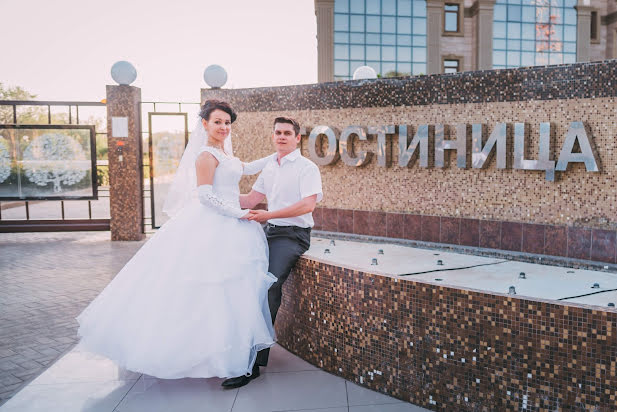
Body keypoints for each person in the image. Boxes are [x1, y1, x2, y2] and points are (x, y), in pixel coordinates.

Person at [76, 100, 277, 379]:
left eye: (227, 123)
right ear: (204, 124)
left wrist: (279, 153)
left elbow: (248, 168)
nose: (223, 127)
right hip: (215, 224)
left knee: (231, 292)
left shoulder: (226, 154)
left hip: (233, 226)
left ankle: (227, 350)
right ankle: (202, 354)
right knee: (207, 289)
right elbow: (206, 197)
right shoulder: (206, 156)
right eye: (217, 122)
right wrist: (240, 214)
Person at [221, 116, 323, 389]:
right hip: (268, 232)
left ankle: (252, 364)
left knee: (268, 286)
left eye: (287, 133)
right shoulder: (270, 166)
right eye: (277, 132)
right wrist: (216, 192)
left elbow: (307, 206)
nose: (281, 137)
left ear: (297, 138)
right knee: (242, 281)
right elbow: (250, 200)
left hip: (293, 236)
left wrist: (269, 215)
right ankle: (237, 347)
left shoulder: (307, 167)